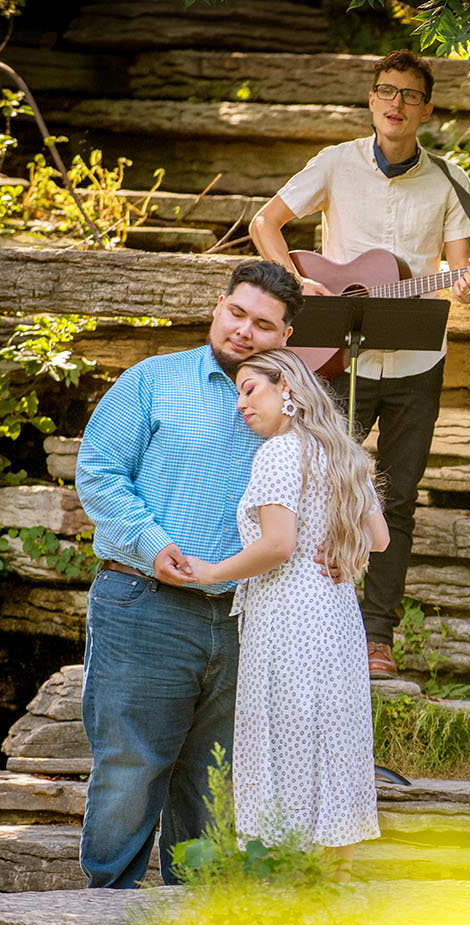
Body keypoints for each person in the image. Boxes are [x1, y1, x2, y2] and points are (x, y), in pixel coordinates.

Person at [248, 48, 470, 680]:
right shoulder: (335, 164)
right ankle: (298, 618)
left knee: (396, 499)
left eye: (409, 95)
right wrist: (297, 286)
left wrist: (469, 285)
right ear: (371, 99)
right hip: (336, 358)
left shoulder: (449, 181)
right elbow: (267, 223)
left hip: (418, 360)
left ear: (426, 108)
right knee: (313, 479)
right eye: (385, 91)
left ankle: (376, 638)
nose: (395, 104)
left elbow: (456, 267)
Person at [75, 259, 303, 889]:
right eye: (236, 313)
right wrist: (153, 544)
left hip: (243, 617)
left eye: (263, 324)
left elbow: (322, 483)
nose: (243, 331)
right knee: (130, 767)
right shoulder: (153, 380)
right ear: (218, 305)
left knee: (213, 776)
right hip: (145, 602)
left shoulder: (294, 407)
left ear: (285, 337)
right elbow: (98, 473)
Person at [184, 348, 389, 863]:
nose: (240, 405)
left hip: (289, 619)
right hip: (336, 618)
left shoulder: (279, 453)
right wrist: (345, 552)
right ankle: (332, 894)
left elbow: (278, 546)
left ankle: (285, 890)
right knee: (328, 742)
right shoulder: (339, 452)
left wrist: (211, 572)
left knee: (285, 744)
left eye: (250, 389)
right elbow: (380, 538)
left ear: (288, 388)